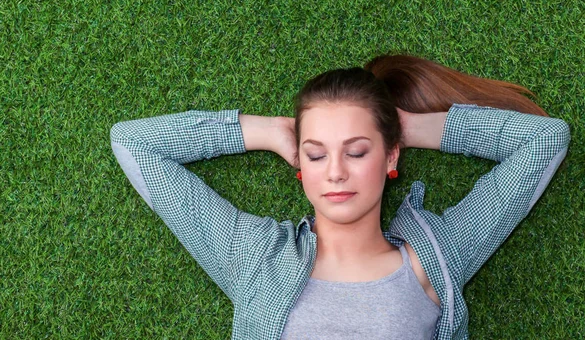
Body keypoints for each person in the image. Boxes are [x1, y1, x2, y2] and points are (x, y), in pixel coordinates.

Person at [110, 53, 571, 340]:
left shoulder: (436, 259)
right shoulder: (255, 260)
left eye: (356, 151)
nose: (335, 171)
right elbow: (135, 145)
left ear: (389, 157)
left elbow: (544, 141)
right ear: (299, 166)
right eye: (315, 155)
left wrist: (409, 128)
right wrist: (269, 131)